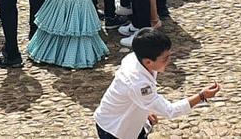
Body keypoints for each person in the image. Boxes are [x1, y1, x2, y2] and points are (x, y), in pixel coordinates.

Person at [93, 28, 221, 139]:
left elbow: (136, 97)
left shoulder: (135, 57)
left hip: (126, 120)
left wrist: (146, 108)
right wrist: (201, 96)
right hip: (114, 129)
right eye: (165, 58)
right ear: (148, 62)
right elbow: (170, 110)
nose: (169, 61)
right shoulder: (139, 84)